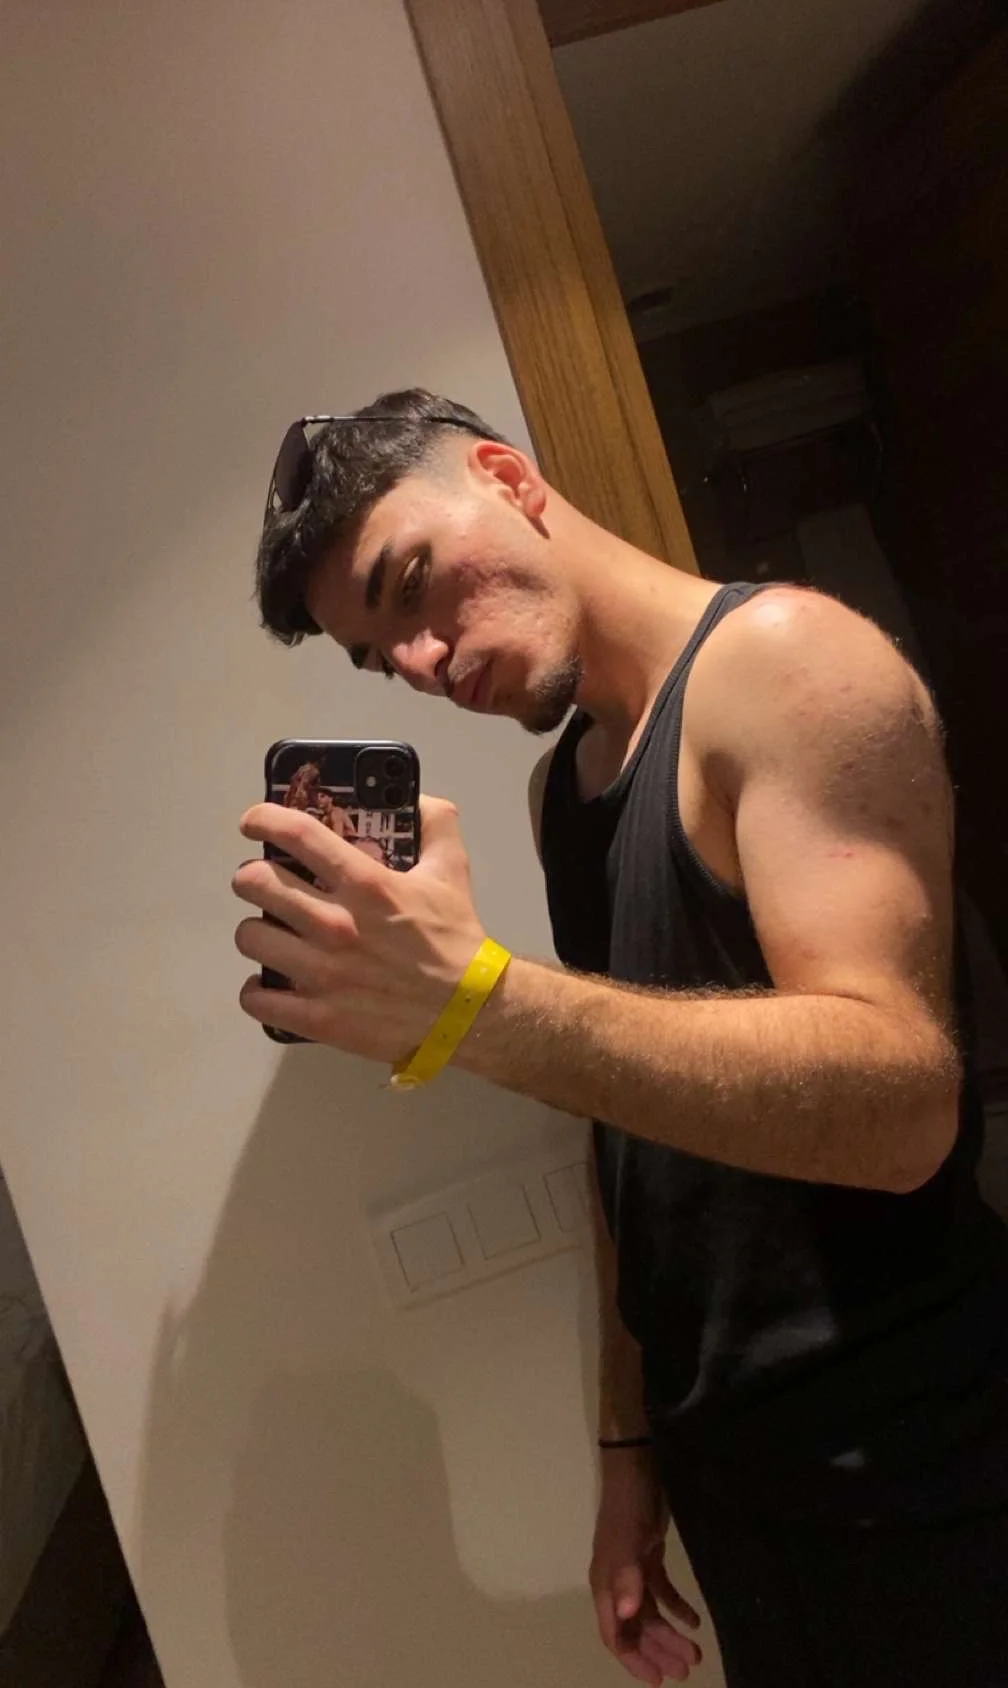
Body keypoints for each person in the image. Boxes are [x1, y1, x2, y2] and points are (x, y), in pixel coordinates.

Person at [232, 390, 1008, 1687]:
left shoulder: (786, 662)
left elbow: (903, 1111)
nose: (420, 661)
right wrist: (628, 1451)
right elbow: (631, 1139)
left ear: (507, 478)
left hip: (926, 1465)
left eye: (409, 585)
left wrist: (482, 1004)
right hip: (733, 1477)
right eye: (378, 657)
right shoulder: (567, 790)